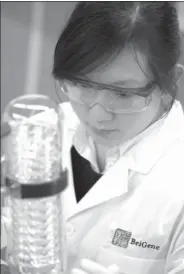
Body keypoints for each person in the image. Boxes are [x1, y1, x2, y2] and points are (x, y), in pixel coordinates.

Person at [1, 2, 184, 274]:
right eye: (83, 86)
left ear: (171, 82)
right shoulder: (40, 132)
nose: (98, 116)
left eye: (122, 94)